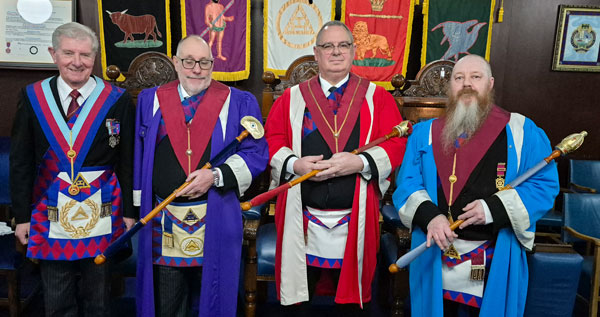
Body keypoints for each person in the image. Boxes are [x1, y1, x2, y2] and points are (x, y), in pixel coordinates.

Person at [393, 54, 559, 316]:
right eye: (459, 78)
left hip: (494, 252)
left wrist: (493, 209)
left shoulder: (522, 131)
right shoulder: (425, 133)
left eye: (475, 77)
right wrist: (431, 217)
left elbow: (543, 186)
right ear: (451, 87)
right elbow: (407, 184)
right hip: (434, 251)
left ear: (490, 84)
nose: (467, 84)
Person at [265, 20, 406, 315]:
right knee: (298, 301)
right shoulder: (290, 99)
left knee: (354, 306)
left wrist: (360, 162)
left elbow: (396, 145)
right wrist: (295, 163)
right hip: (301, 214)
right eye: (328, 46)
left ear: (354, 52)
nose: (336, 52)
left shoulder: (377, 98)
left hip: (356, 215)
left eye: (343, 45)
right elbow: (272, 140)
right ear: (316, 54)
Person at [133, 35, 268, 317]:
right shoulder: (151, 100)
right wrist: (136, 206)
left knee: (216, 294)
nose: (197, 69)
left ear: (212, 64)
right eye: (189, 61)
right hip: (164, 215)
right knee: (168, 300)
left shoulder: (238, 101)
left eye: (204, 62)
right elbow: (138, 153)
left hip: (216, 213)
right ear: (176, 63)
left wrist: (216, 175)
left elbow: (256, 154)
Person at [10, 22, 135, 316]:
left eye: (85, 55)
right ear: (54, 54)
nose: (77, 62)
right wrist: (22, 217)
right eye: (68, 53)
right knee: (56, 296)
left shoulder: (117, 99)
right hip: (48, 210)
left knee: (98, 296)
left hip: (103, 211)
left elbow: (128, 159)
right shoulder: (32, 96)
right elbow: (21, 160)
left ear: (95, 58)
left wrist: (130, 211)